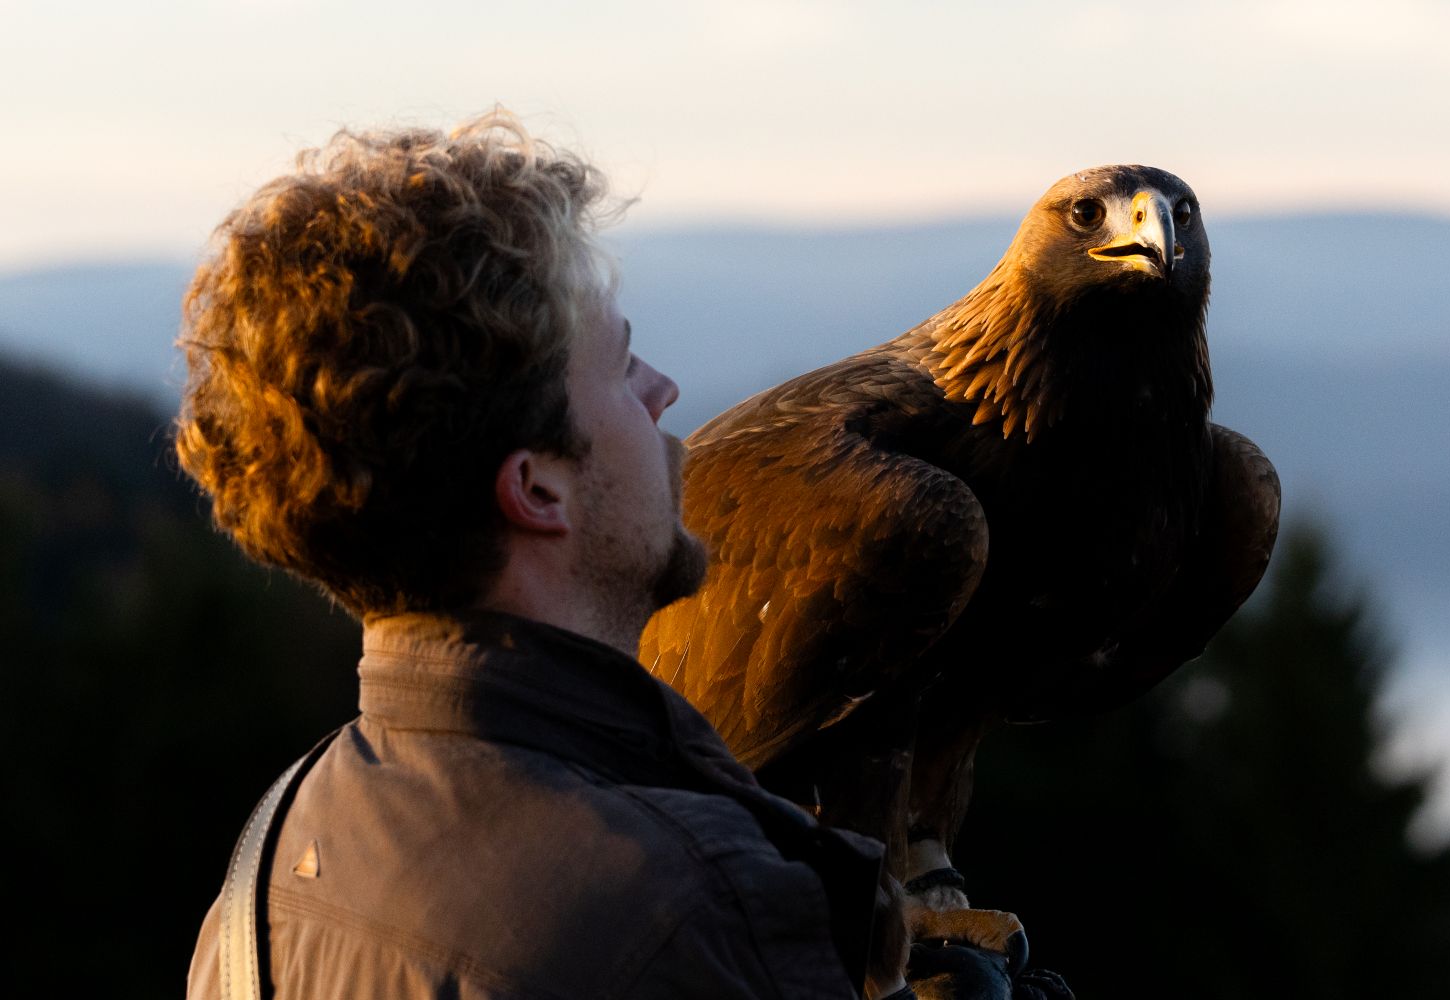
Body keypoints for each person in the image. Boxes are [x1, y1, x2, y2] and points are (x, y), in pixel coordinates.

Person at [176, 109, 922, 999]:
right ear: (536, 490)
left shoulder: (261, 885)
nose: (663, 391)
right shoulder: (692, 914)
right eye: (623, 367)